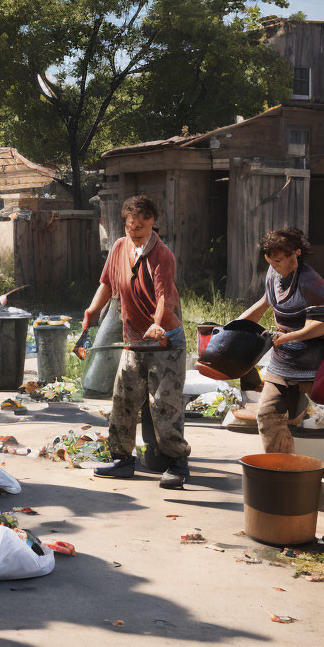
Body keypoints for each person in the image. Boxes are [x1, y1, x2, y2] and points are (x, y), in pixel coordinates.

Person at [85, 194, 191, 489]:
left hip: (164, 341)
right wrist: (92, 311)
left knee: (163, 405)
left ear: (153, 223)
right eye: (131, 226)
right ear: (125, 223)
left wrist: (157, 325)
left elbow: (164, 299)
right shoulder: (119, 247)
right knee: (123, 400)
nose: (135, 232)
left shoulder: (163, 256)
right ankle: (122, 460)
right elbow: (106, 283)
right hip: (133, 339)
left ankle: (178, 464)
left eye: (141, 227)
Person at [237, 227, 324, 453]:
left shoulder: (310, 282)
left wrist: (288, 337)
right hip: (284, 359)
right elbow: (267, 300)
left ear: (295, 254)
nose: (273, 265)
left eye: (278, 260)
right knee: (267, 415)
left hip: (320, 361)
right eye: (270, 260)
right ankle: (281, 470)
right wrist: (236, 326)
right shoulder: (273, 272)